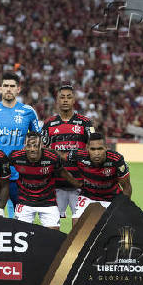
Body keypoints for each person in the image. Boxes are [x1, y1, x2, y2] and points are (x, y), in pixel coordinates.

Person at [0, 72, 41, 216]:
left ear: (18, 89)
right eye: (5, 86)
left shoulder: (28, 111)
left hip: (19, 173)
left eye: (12, 86)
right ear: (0, 89)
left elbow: (38, 139)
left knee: (18, 217)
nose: (8, 89)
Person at [42, 82, 95, 220]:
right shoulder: (48, 123)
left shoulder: (86, 123)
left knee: (79, 224)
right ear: (57, 100)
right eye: (62, 97)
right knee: (52, 223)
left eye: (69, 97)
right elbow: (43, 149)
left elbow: (94, 146)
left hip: (80, 182)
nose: (65, 100)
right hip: (56, 183)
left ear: (74, 100)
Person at [8, 132, 81, 230]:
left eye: (36, 146)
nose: (32, 149)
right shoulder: (15, 157)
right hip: (25, 201)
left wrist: (78, 184)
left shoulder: (53, 158)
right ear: (24, 146)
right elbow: (0, 163)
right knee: (20, 235)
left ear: (41, 145)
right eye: (29, 145)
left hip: (48, 201)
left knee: (53, 236)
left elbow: (63, 172)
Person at [68, 133, 132, 226]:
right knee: (77, 225)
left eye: (100, 149)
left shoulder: (116, 160)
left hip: (112, 198)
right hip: (88, 196)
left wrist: (124, 207)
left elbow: (126, 187)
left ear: (106, 147)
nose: (96, 153)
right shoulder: (78, 155)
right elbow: (60, 159)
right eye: (93, 149)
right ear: (87, 148)